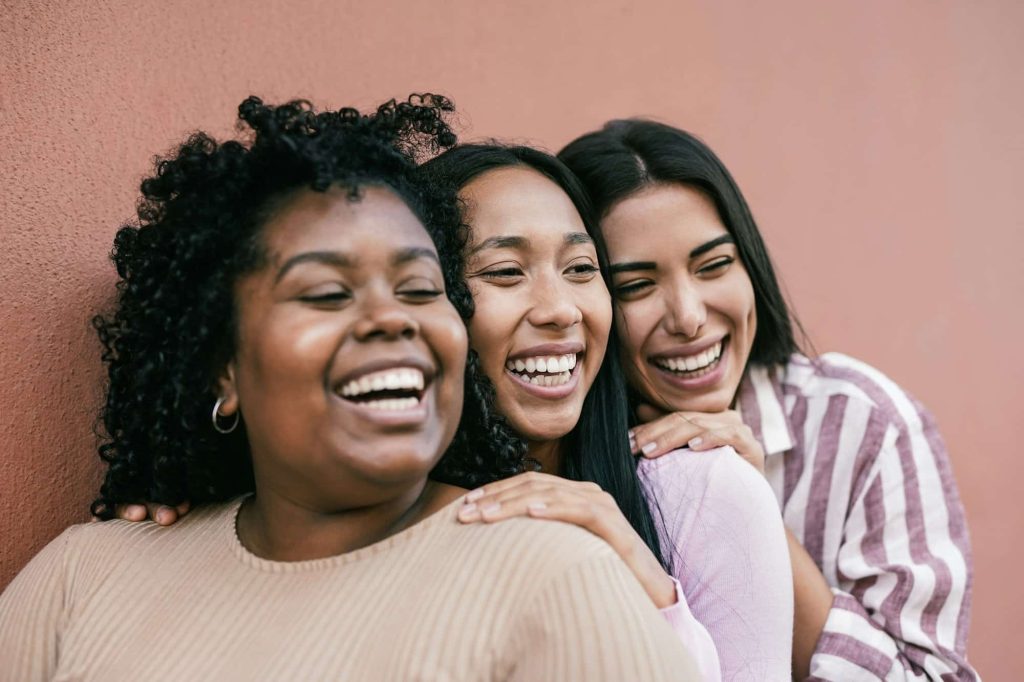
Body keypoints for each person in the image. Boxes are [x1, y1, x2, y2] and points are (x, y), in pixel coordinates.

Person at [0, 96, 699, 681]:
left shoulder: (558, 576)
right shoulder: (83, 576)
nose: (393, 319)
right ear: (222, 368)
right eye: (329, 292)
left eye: (420, 288)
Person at [558, 119, 978, 681]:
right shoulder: (555, 442)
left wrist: (753, 513)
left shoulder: (862, 422)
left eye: (714, 266)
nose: (689, 317)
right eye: (635, 286)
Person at [423, 144, 793, 681]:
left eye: (580, 268)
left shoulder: (701, 488)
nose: (561, 310)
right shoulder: (381, 525)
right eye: (505, 272)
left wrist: (643, 577)